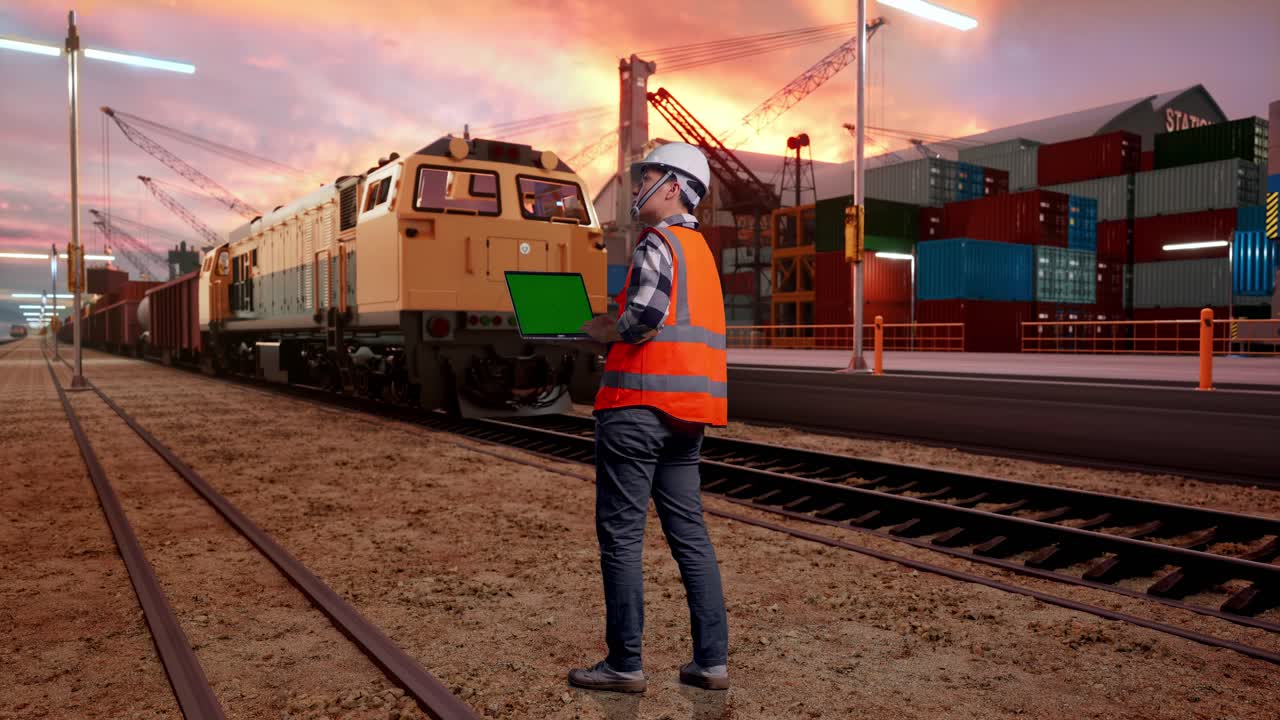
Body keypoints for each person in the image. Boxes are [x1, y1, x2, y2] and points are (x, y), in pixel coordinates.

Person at [569, 142, 730, 693]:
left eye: (648, 176)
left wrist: (601, 329)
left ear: (674, 186)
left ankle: (624, 665)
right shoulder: (700, 252)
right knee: (691, 537)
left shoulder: (658, 242)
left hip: (637, 410)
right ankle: (711, 663)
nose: (638, 187)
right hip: (687, 417)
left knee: (621, 538)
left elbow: (643, 318)